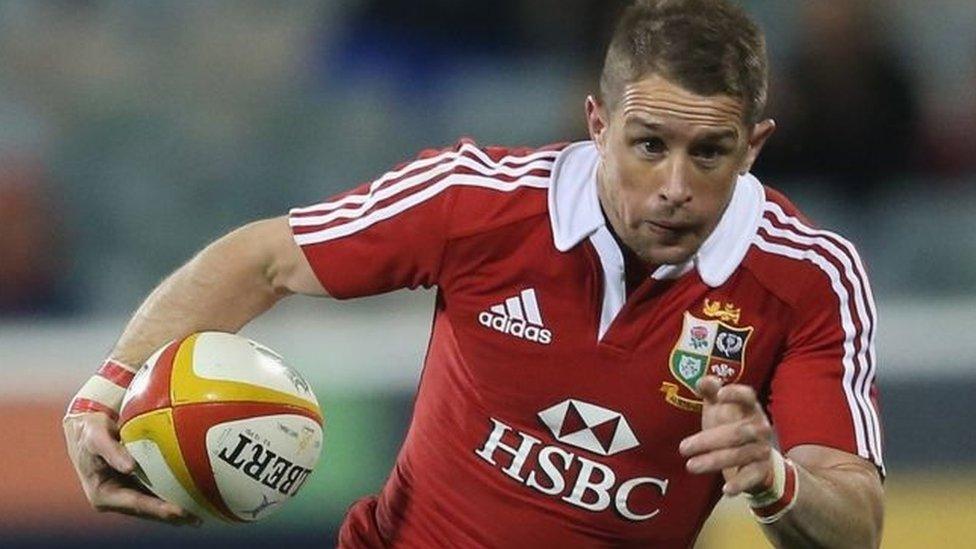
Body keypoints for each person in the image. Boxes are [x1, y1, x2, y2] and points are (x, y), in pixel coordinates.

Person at [64, 0, 885, 547]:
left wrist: (777, 480)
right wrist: (106, 389)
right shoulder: (476, 200)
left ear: (755, 146)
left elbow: (857, 519)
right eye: (649, 145)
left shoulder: (810, 277)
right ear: (596, 124)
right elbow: (264, 257)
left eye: (709, 152)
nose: (675, 186)